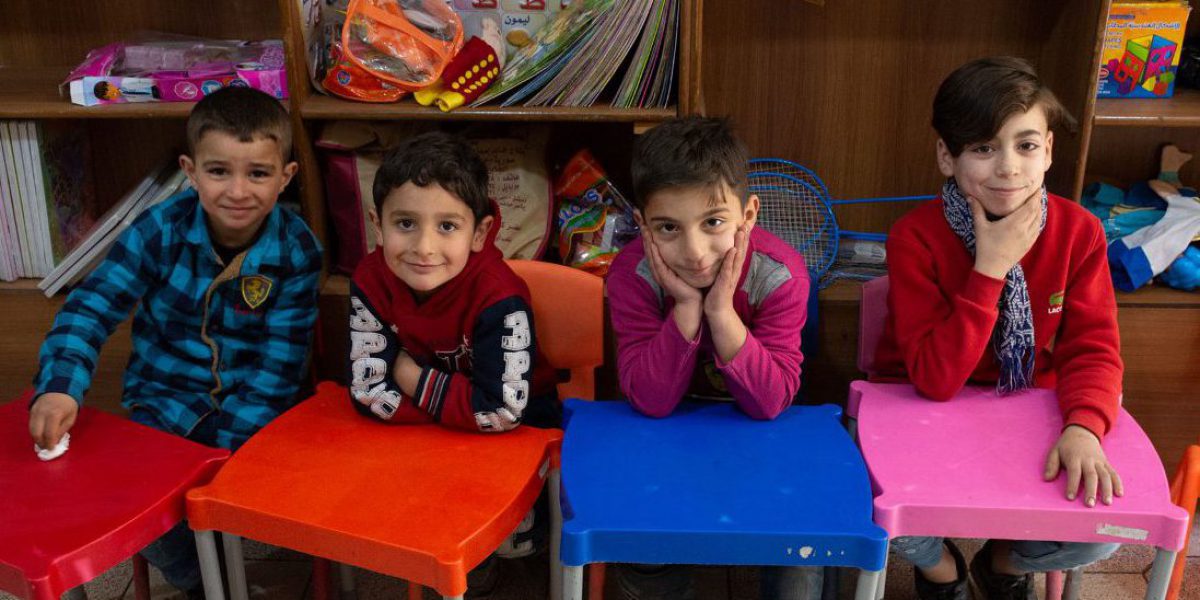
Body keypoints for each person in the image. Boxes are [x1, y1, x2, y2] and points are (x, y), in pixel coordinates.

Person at [29, 86, 323, 598]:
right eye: (218, 172)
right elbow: (91, 307)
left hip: (260, 408)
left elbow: (280, 366)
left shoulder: (297, 249)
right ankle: (205, 584)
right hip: (164, 402)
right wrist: (60, 386)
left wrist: (226, 457)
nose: (237, 190)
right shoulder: (157, 230)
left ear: (285, 177)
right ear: (189, 171)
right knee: (135, 506)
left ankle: (225, 557)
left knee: (251, 497)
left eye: (257, 173)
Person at [874, 56, 1123, 600]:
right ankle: (943, 572)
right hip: (919, 407)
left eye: (1026, 145)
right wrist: (990, 268)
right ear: (948, 155)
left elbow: (1094, 349)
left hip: (1024, 407)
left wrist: (1083, 425)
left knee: (1107, 528)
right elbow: (934, 381)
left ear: (1049, 150)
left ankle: (1004, 563)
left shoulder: (1079, 232)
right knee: (864, 505)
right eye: (984, 148)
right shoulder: (914, 237)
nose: (1009, 168)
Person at [606, 116, 819, 600]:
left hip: (761, 436)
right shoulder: (633, 275)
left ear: (748, 216)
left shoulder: (780, 275)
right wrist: (685, 308)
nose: (695, 252)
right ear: (641, 224)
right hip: (665, 436)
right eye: (668, 228)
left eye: (714, 223)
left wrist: (720, 312)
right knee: (643, 545)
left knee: (801, 558)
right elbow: (650, 400)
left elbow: (770, 403)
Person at [347, 130, 560, 597]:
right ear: (377, 224)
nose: (424, 247)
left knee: (516, 547)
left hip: (520, 426)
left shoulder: (498, 297)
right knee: (412, 515)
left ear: (480, 232)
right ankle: (464, 556)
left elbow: (503, 412)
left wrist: (407, 374)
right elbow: (366, 392)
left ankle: (517, 550)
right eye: (405, 223)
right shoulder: (370, 277)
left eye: (447, 226)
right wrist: (457, 411)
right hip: (435, 424)